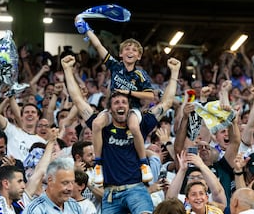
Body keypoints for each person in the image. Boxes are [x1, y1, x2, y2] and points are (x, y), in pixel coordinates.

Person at [61, 54, 181, 213]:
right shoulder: (102, 127)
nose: (120, 104)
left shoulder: (140, 124)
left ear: (129, 108)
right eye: (116, 102)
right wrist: (67, 70)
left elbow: (166, 103)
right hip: (111, 194)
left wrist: (174, 73)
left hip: (136, 190)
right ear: (110, 109)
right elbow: (77, 99)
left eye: (124, 102)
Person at [75, 16, 155, 183]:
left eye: (134, 50)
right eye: (127, 49)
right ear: (120, 53)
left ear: (139, 56)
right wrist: (87, 30)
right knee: (96, 124)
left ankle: (143, 163)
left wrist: (129, 92)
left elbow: (151, 95)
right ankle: (98, 164)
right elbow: (98, 46)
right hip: (113, 108)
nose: (130, 51)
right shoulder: (115, 66)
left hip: (132, 109)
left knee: (134, 127)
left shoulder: (140, 75)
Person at [0, 81, 46, 162]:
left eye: (33, 112)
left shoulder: (42, 141)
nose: (30, 114)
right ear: (21, 116)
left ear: (38, 117)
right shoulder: (11, 130)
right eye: (26, 112)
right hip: (10, 171)